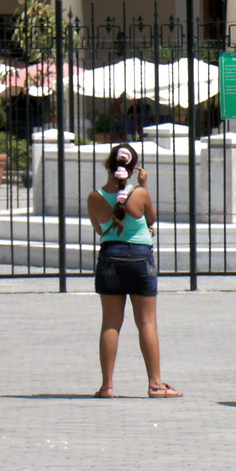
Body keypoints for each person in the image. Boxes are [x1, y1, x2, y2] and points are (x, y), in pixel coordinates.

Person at [86, 142, 177, 399]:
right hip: (139, 259)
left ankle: (107, 386)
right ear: (132, 167)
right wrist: (144, 184)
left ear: (108, 164)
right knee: (147, 322)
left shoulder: (95, 197)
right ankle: (155, 384)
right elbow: (151, 219)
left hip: (111, 258)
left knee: (110, 324)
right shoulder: (139, 194)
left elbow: (100, 228)